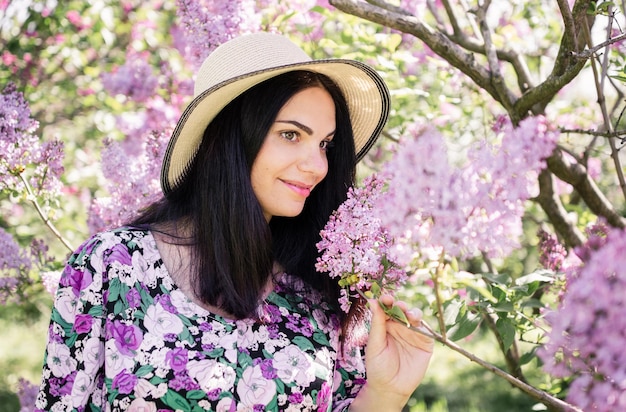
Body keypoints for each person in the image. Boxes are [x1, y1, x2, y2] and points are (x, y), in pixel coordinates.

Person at [35, 32, 433, 411]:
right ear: (228, 139)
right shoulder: (111, 266)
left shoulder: (319, 294)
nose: (317, 166)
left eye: (325, 144)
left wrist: (386, 394)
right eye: (291, 135)